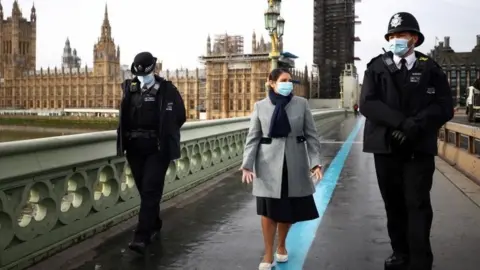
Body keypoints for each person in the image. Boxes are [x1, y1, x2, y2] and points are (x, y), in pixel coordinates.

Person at [359, 12, 453, 270]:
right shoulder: (376, 67)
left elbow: (445, 106)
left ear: (414, 38)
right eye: (392, 36)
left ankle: (421, 260)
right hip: (386, 147)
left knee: (418, 203)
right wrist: (400, 123)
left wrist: (416, 125)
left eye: (401, 35)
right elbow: (367, 103)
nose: (396, 40)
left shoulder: (431, 68)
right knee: (394, 203)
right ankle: (399, 253)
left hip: (418, 148)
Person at [241, 68, 324, 270]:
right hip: (268, 164)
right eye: (283, 80)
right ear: (271, 82)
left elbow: (311, 135)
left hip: (295, 163)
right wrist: (247, 165)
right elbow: (253, 137)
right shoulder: (260, 106)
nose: (288, 84)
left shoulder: (301, 104)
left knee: (288, 210)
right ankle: (268, 253)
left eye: (290, 80)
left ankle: (281, 245)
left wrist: (315, 162)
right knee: (269, 211)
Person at [116, 51, 186, 254]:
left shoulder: (167, 89)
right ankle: (154, 223)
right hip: (134, 148)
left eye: (144, 73)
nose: (141, 77)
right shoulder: (129, 88)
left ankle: (141, 236)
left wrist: (165, 135)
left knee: (149, 190)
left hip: (157, 148)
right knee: (145, 191)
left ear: (154, 69)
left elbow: (180, 116)